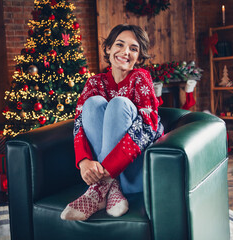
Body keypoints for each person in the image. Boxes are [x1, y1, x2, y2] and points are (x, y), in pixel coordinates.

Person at [61, 24, 164, 221]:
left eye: (133, 49)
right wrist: (84, 161)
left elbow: (148, 126)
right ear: (108, 48)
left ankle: (100, 188)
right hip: (101, 171)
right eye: (119, 45)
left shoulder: (141, 78)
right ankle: (110, 187)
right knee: (92, 103)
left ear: (139, 57)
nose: (126, 52)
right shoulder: (94, 83)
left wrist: (109, 168)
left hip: (133, 171)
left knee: (119, 104)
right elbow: (79, 124)